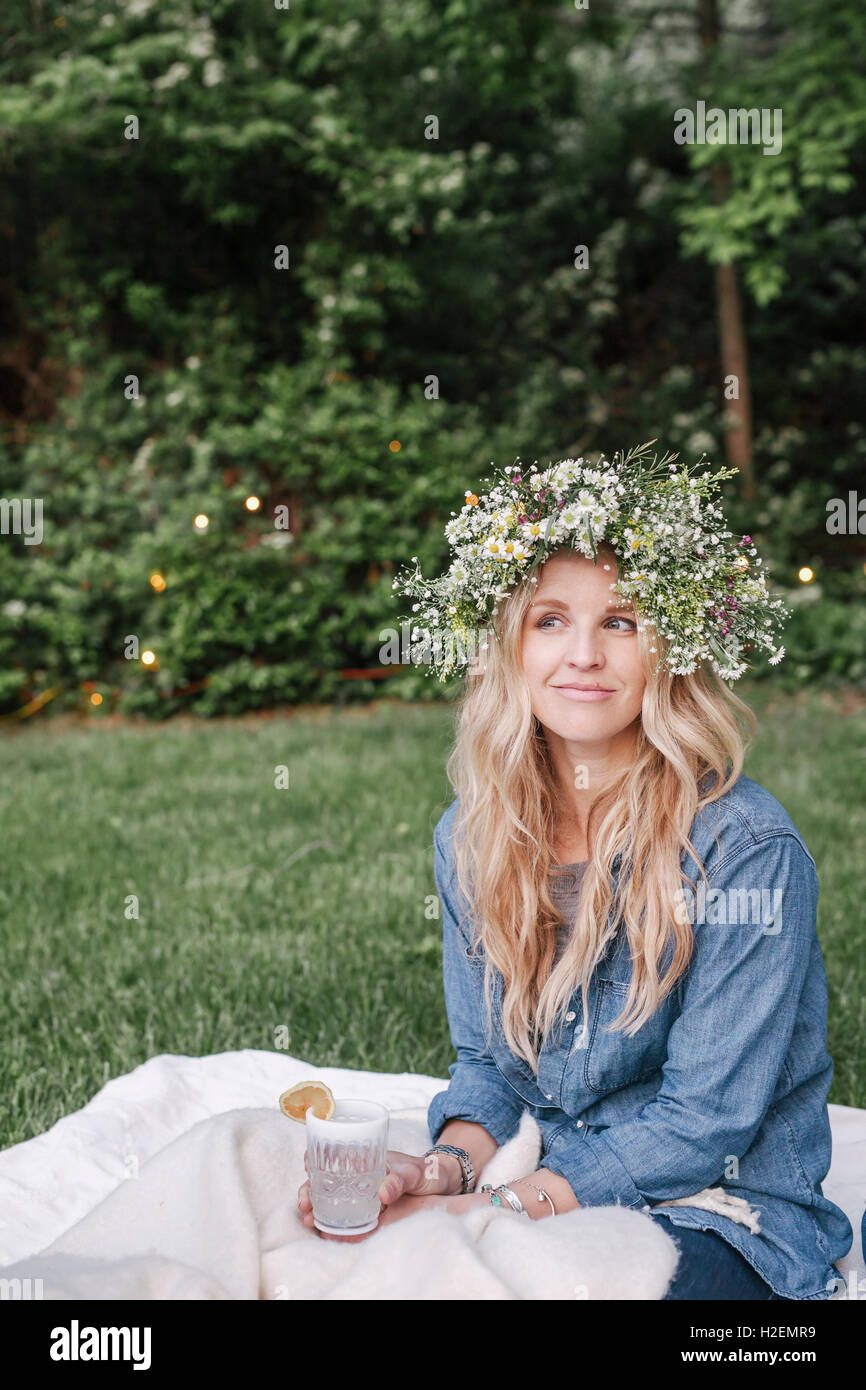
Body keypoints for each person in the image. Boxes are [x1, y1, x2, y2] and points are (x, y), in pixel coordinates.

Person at [297, 443, 852, 1299]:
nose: (584, 654)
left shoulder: (745, 850)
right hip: (567, 1188)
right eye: (550, 620)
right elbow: (489, 1063)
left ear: (671, 649)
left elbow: (705, 1125)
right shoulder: (473, 836)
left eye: (621, 623)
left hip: (721, 1209)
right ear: (509, 644)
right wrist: (443, 1173)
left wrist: (504, 1212)